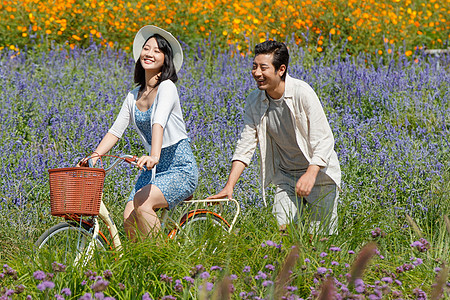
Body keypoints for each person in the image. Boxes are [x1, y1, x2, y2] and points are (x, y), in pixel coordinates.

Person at [209, 40, 341, 235]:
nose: (257, 73)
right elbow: (246, 143)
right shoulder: (255, 100)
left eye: (263, 68)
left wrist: (310, 174)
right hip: (287, 175)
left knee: (320, 241)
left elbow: (324, 140)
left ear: (281, 69)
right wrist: (229, 186)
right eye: (254, 67)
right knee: (283, 232)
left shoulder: (302, 93)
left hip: (319, 176)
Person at [80, 25, 198, 241]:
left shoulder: (167, 87)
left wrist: (154, 156)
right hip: (152, 170)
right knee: (129, 217)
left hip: (179, 166)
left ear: (166, 59)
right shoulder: (133, 96)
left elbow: (158, 122)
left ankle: (164, 262)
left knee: (143, 203)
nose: (149, 54)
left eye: (156, 51)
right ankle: (143, 262)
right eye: (146, 48)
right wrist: (95, 155)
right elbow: (116, 131)